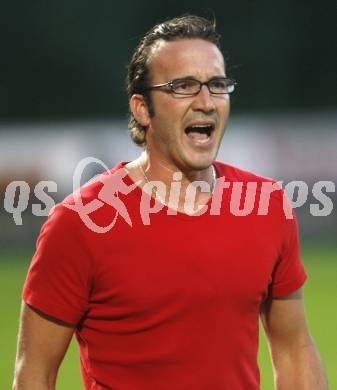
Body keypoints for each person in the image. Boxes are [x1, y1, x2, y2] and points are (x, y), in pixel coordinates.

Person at [13, 15, 328, 390]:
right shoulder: (82, 222)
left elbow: (294, 350)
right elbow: (34, 374)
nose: (206, 102)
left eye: (217, 84)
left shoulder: (268, 206)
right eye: (184, 87)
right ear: (142, 109)